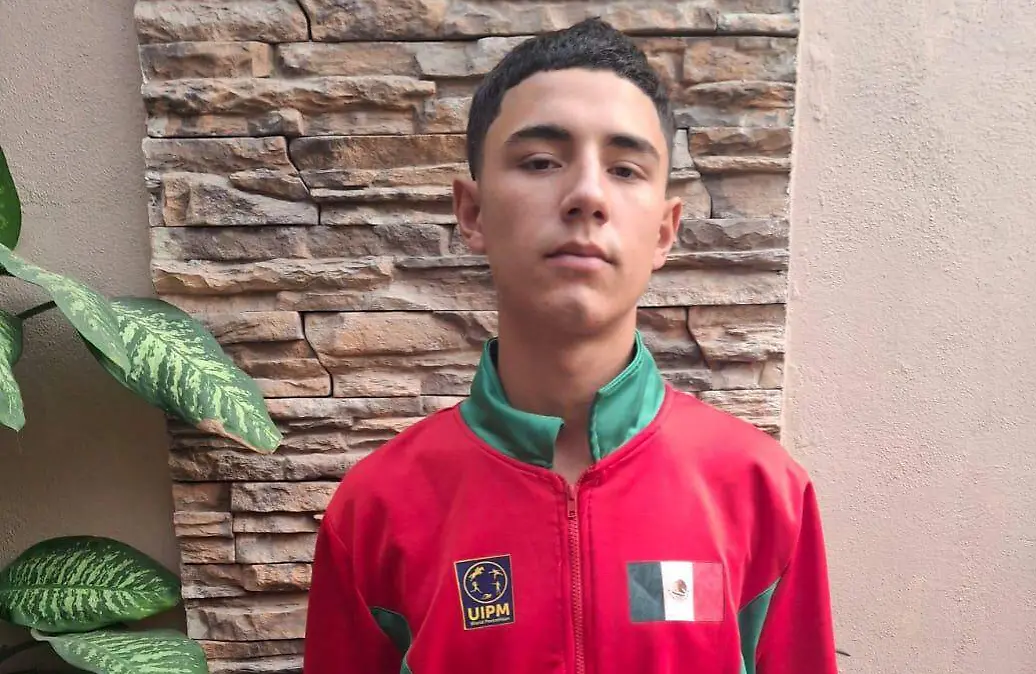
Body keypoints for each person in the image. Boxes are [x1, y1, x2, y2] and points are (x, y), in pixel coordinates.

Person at [302, 17, 838, 674]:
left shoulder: (762, 495)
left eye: (625, 168)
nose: (586, 194)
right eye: (541, 162)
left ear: (665, 230)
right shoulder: (376, 512)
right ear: (472, 213)